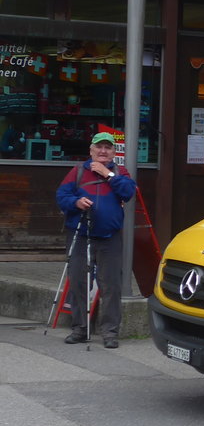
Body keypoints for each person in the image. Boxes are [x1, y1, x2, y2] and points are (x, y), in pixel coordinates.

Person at [55, 132, 136, 348]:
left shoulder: (120, 172)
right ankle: (80, 329)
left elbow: (129, 192)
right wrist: (76, 202)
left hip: (109, 238)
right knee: (79, 283)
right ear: (91, 150)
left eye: (107, 148)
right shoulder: (78, 171)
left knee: (111, 286)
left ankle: (110, 333)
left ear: (113, 152)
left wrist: (107, 174)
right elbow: (61, 196)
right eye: (99, 147)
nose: (103, 151)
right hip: (81, 235)